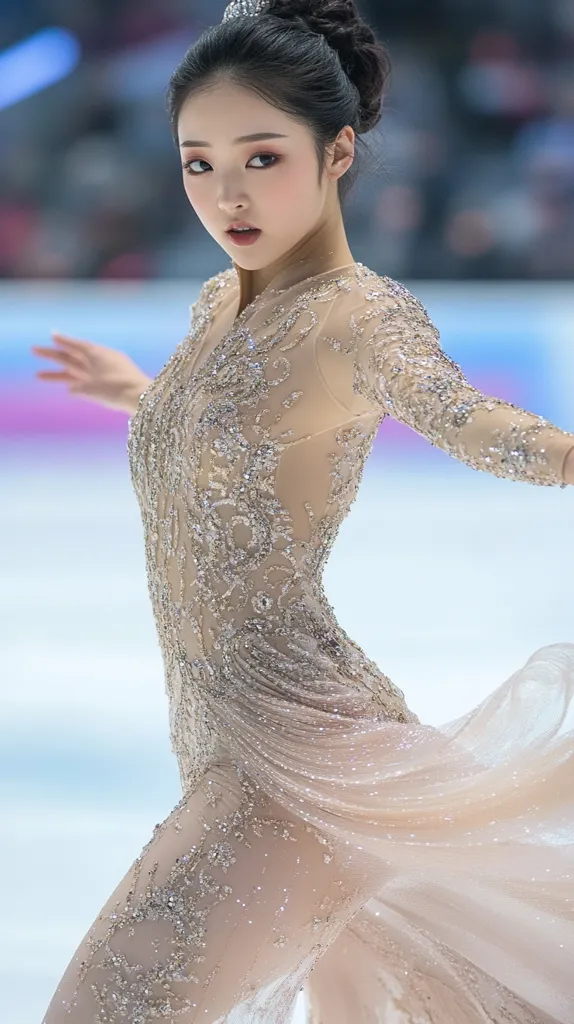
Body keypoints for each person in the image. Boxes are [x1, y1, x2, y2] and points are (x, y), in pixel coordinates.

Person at [34, 1, 574, 1021]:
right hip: (223, 743)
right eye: (198, 162)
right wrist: (147, 396)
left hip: (285, 765)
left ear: (337, 152)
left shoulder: (358, 314)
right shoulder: (216, 305)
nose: (225, 193)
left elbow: (469, 421)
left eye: (260, 158)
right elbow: (246, 441)